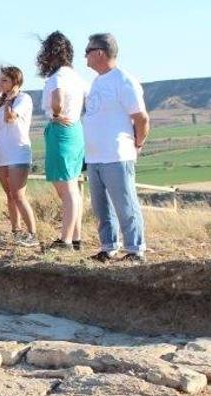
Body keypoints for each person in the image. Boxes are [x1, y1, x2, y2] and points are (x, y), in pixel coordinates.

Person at [82, 33, 150, 263]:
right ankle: (108, 246)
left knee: (125, 203)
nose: (85, 56)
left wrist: (138, 144)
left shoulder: (124, 81)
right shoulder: (98, 81)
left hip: (117, 155)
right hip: (95, 157)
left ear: (100, 52)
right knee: (102, 207)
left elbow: (141, 118)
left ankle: (135, 249)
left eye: (88, 51)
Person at [38, 31, 87, 250]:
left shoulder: (57, 77)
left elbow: (57, 100)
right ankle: (75, 238)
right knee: (73, 187)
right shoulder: (76, 76)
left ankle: (65, 240)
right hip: (76, 129)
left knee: (66, 190)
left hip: (61, 129)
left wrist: (56, 113)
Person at [0, 66, 38, 247]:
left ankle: (32, 233)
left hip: (17, 151)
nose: (0, 84)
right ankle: (16, 230)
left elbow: (10, 118)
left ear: (15, 82)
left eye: (4, 80)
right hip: (0, 152)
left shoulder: (23, 99)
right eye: (0, 80)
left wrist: (9, 101)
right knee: (9, 195)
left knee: (18, 195)